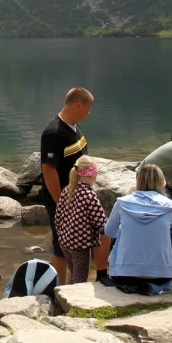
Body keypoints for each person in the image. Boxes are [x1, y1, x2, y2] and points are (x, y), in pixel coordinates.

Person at [41, 87, 109, 285]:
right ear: (78, 105)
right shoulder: (53, 133)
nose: (89, 113)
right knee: (61, 245)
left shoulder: (74, 127)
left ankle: (91, 278)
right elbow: (48, 170)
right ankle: (59, 288)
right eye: (88, 108)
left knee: (88, 238)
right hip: (63, 200)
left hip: (79, 198)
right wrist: (61, 202)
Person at [103, 163, 172, 294]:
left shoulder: (122, 203)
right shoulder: (169, 206)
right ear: (162, 182)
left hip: (123, 274)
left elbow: (109, 232)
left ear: (138, 181)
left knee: (120, 230)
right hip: (160, 275)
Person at [54, 155, 107, 285]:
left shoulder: (67, 190)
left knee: (73, 274)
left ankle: (66, 292)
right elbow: (100, 221)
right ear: (90, 174)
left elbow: (57, 218)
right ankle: (73, 297)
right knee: (80, 279)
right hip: (80, 246)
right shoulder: (88, 194)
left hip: (65, 243)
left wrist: (62, 235)